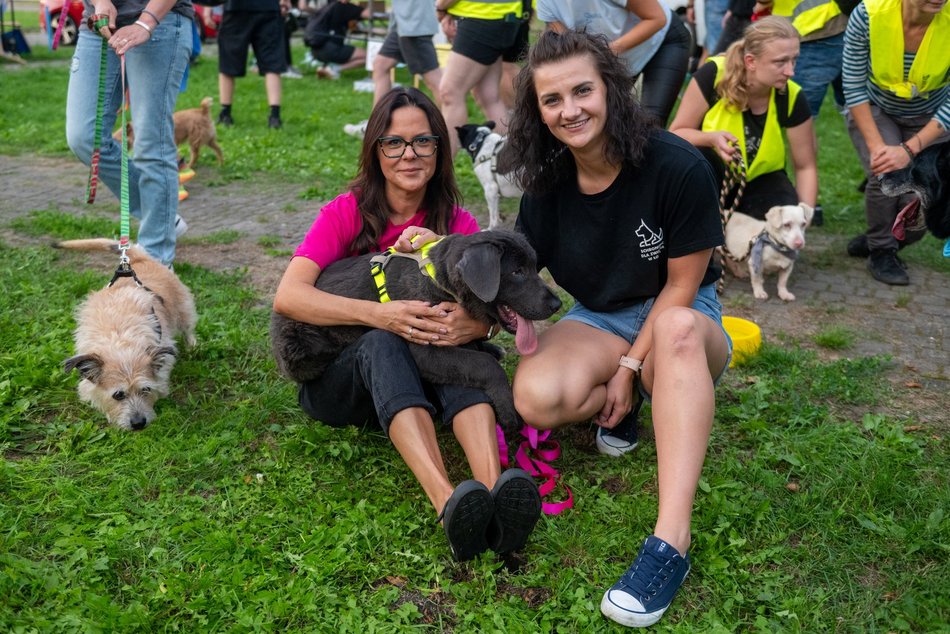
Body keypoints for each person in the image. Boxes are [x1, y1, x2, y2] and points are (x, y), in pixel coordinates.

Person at [502, 29, 732, 627]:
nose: (570, 110)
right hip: (601, 316)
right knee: (535, 396)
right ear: (538, 112)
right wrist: (445, 258)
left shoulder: (677, 165)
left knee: (675, 331)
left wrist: (629, 369)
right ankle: (629, 407)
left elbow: (682, 287)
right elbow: (519, 265)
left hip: (685, 315)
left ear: (611, 88)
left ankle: (670, 541)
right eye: (552, 99)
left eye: (583, 91)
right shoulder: (548, 182)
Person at [272, 87, 542, 562]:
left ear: (440, 149)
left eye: (423, 141)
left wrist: (476, 329)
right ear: (375, 151)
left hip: (421, 371)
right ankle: (449, 504)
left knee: (455, 341)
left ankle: (492, 492)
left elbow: (490, 298)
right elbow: (289, 298)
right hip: (337, 379)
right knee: (383, 341)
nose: (409, 154)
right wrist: (381, 314)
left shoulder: (456, 223)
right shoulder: (347, 211)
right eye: (394, 143)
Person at [66, 0, 194, 267]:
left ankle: (155, 264)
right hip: (99, 24)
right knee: (85, 137)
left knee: (150, 143)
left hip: (160, 20)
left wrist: (146, 22)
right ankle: (162, 218)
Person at [842, 0, 950, 285]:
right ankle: (881, 250)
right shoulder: (867, 15)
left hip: (932, 117)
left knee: (925, 194)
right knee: (887, 177)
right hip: (877, 110)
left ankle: (888, 239)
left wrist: (910, 149)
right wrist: (879, 149)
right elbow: (853, 85)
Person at [669, 16, 817, 221]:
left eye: (794, 60)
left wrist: (803, 218)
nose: (790, 71)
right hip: (711, 176)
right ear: (750, 61)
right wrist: (710, 138)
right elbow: (676, 134)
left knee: (782, 225)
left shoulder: (792, 95)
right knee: (699, 163)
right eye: (780, 62)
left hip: (762, 182)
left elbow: (805, 166)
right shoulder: (714, 75)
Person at [536, 0, 692, 125]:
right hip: (611, 59)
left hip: (662, 41)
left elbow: (657, 18)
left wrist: (604, 53)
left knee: (650, 124)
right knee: (608, 123)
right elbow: (569, 48)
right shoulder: (545, 3)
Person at [435, 0, 525, 157]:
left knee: (450, 93)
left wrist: (441, 7)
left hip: (482, 16)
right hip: (497, 15)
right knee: (488, 96)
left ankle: (442, 168)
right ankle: (519, 159)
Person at [343, 0, 444, 138]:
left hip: (413, 23)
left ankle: (447, 131)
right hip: (402, 22)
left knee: (435, 81)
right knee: (381, 65)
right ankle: (377, 126)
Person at [216, 0, 291, 129]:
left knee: (228, 60)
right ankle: (275, 116)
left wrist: (208, 9)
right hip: (268, 7)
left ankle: (225, 113)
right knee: (272, 62)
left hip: (236, 8)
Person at [303, 0, 370, 79]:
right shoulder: (344, 6)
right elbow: (369, 14)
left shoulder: (328, 6)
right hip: (331, 50)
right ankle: (333, 69)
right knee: (370, 56)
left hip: (315, 51)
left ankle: (326, 68)